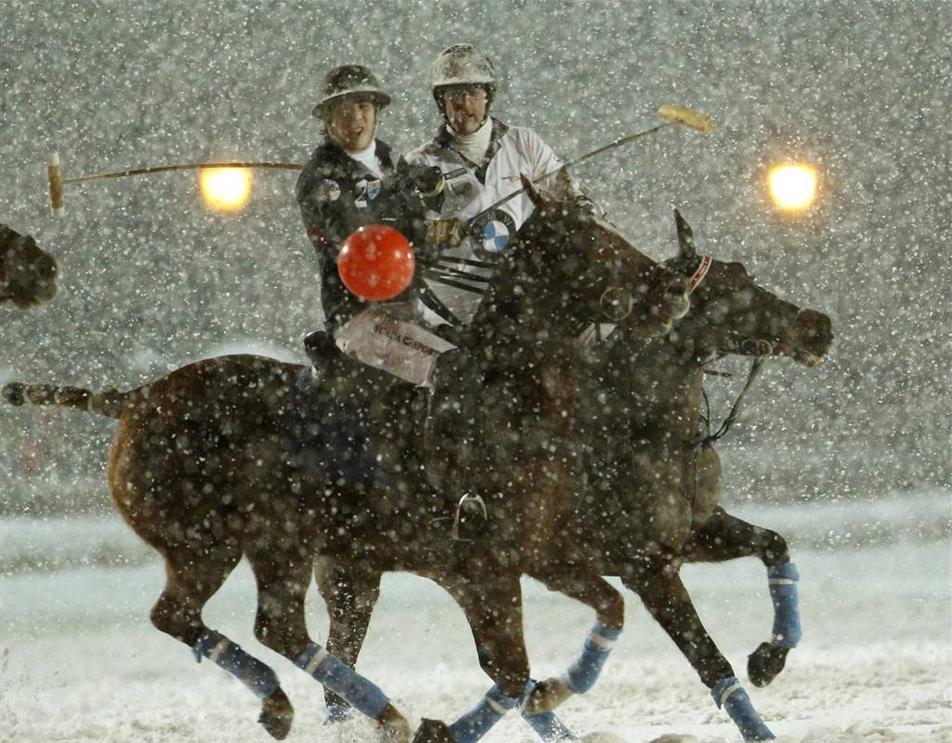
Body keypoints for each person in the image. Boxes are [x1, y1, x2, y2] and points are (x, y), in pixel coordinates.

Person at [296, 64, 452, 386]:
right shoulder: (320, 179)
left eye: (363, 106)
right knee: (450, 369)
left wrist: (438, 219)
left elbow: (418, 224)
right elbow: (359, 249)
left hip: (411, 309)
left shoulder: (390, 159)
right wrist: (419, 239)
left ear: (377, 110)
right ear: (328, 120)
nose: (355, 118)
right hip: (359, 319)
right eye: (343, 110)